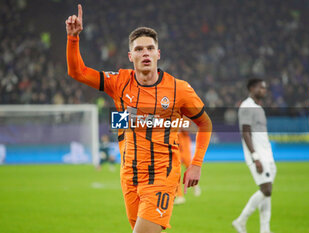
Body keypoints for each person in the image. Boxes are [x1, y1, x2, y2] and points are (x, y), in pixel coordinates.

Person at [65, 4, 212, 233]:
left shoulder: (178, 90)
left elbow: (205, 123)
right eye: (140, 49)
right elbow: (78, 72)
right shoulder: (119, 82)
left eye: (150, 48)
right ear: (130, 55)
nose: (145, 53)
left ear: (158, 54)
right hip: (129, 177)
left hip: (162, 176)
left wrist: (196, 164)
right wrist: (73, 38)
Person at [233, 79, 276, 233]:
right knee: (267, 189)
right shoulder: (247, 106)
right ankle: (241, 221)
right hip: (258, 156)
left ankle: (265, 229)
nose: (264, 90)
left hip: (267, 155)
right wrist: (255, 156)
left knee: (267, 194)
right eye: (261, 87)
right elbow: (245, 132)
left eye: (265, 87)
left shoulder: (259, 108)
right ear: (252, 88)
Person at [174, 130, 201, 205]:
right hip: (175, 149)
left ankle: (195, 185)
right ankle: (180, 196)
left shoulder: (184, 120)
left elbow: (191, 129)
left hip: (185, 149)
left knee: (189, 169)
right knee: (175, 173)